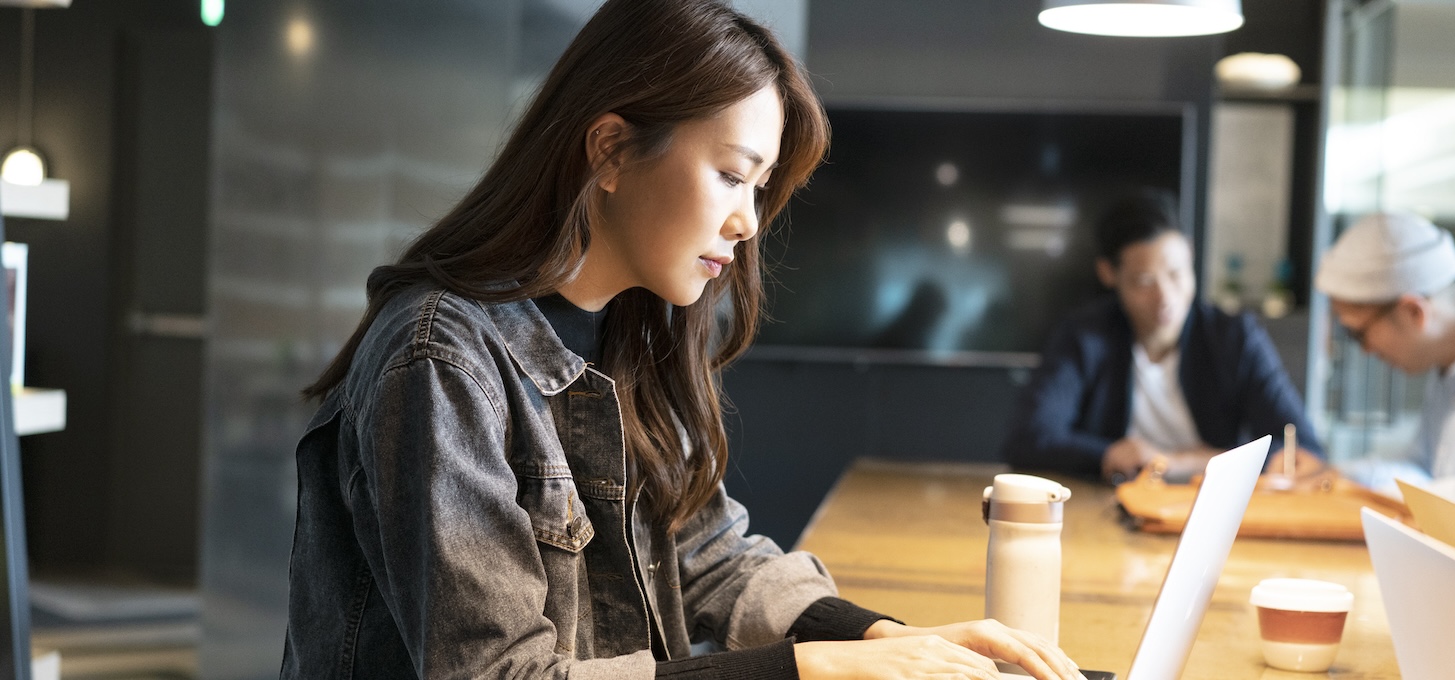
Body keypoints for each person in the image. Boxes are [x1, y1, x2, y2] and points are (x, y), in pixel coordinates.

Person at [280, 2, 1085, 679]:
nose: (747, 222)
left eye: (760, 188)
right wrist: (816, 667)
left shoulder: (635, 327)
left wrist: (886, 639)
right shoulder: (440, 358)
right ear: (611, 150)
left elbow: (711, 552)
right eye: (733, 174)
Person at [1005, 192, 1323, 483]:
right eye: (1144, 281)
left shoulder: (1234, 337)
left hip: (1215, 508)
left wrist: (1174, 462)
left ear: (1191, 254)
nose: (1165, 297)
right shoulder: (1084, 336)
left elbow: (1301, 449)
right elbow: (1028, 438)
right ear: (1108, 273)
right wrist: (1108, 455)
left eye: (1176, 273)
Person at [1315, 211, 1455, 545]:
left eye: (1359, 334)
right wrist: (1335, 476)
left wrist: (1350, 491)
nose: (1366, 351)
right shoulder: (1450, 364)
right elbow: (1420, 469)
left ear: (1414, 312)